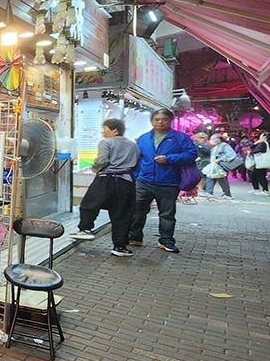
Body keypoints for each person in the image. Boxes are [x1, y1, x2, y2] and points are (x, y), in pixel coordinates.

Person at [128, 109, 197, 253]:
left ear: (170, 121)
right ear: (152, 121)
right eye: (157, 119)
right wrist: (137, 176)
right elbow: (138, 159)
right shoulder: (144, 138)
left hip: (169, 182)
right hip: (144, 181)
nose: (160, 122)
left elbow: (191, 155)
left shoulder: (180, 138)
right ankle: (135, 237)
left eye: (164, 119)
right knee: (137, 210)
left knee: (166, 214)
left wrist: (169, 158)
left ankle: (166, 241)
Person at [70, 118, 141, 257]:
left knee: (89, 204)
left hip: (106, 179)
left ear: (115, 130)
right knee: (122, 213)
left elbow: (102, 160)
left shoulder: (106, 142)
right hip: (127, 182)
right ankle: (120, 247)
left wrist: (94, 169)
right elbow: (137, 163)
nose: (103, 133)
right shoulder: (134, 145)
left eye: (105, 129)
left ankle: (85, 229)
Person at [203, 134, 235, 198]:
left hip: (220, 165)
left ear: (218, 139)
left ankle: (227, 194)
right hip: (213, 165)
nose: (211, 140)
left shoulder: (224, 145)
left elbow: (230, 154)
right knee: (210, 177)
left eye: (213, 139)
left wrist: (220, 159)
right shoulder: (215, 147)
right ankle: (209, 192)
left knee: (221, 178)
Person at [190, 132, 211, 202]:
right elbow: (206, 151)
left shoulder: (205, 144)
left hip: (205, 161)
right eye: (202, 138)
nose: (203, 139)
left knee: (204, 175)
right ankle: (200, 189)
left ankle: (200, 189)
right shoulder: (196, 144)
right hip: (200, 161)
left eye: (204, 138)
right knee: (201, 175)